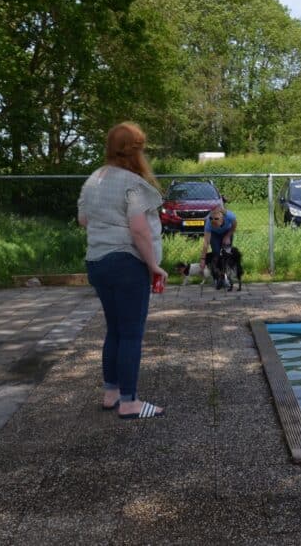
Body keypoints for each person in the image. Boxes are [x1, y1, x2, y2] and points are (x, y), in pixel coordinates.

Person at [78, 122, 167, 419]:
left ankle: (111, 393)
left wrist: (108, 221)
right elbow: (139, 230)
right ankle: (130, 403)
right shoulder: (133, 184)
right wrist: (154, 265)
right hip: (127, 264)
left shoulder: (94, 179)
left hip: (97, 261)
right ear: (136, 150)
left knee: (114, 330)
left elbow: (83, 219)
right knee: (131, 334)